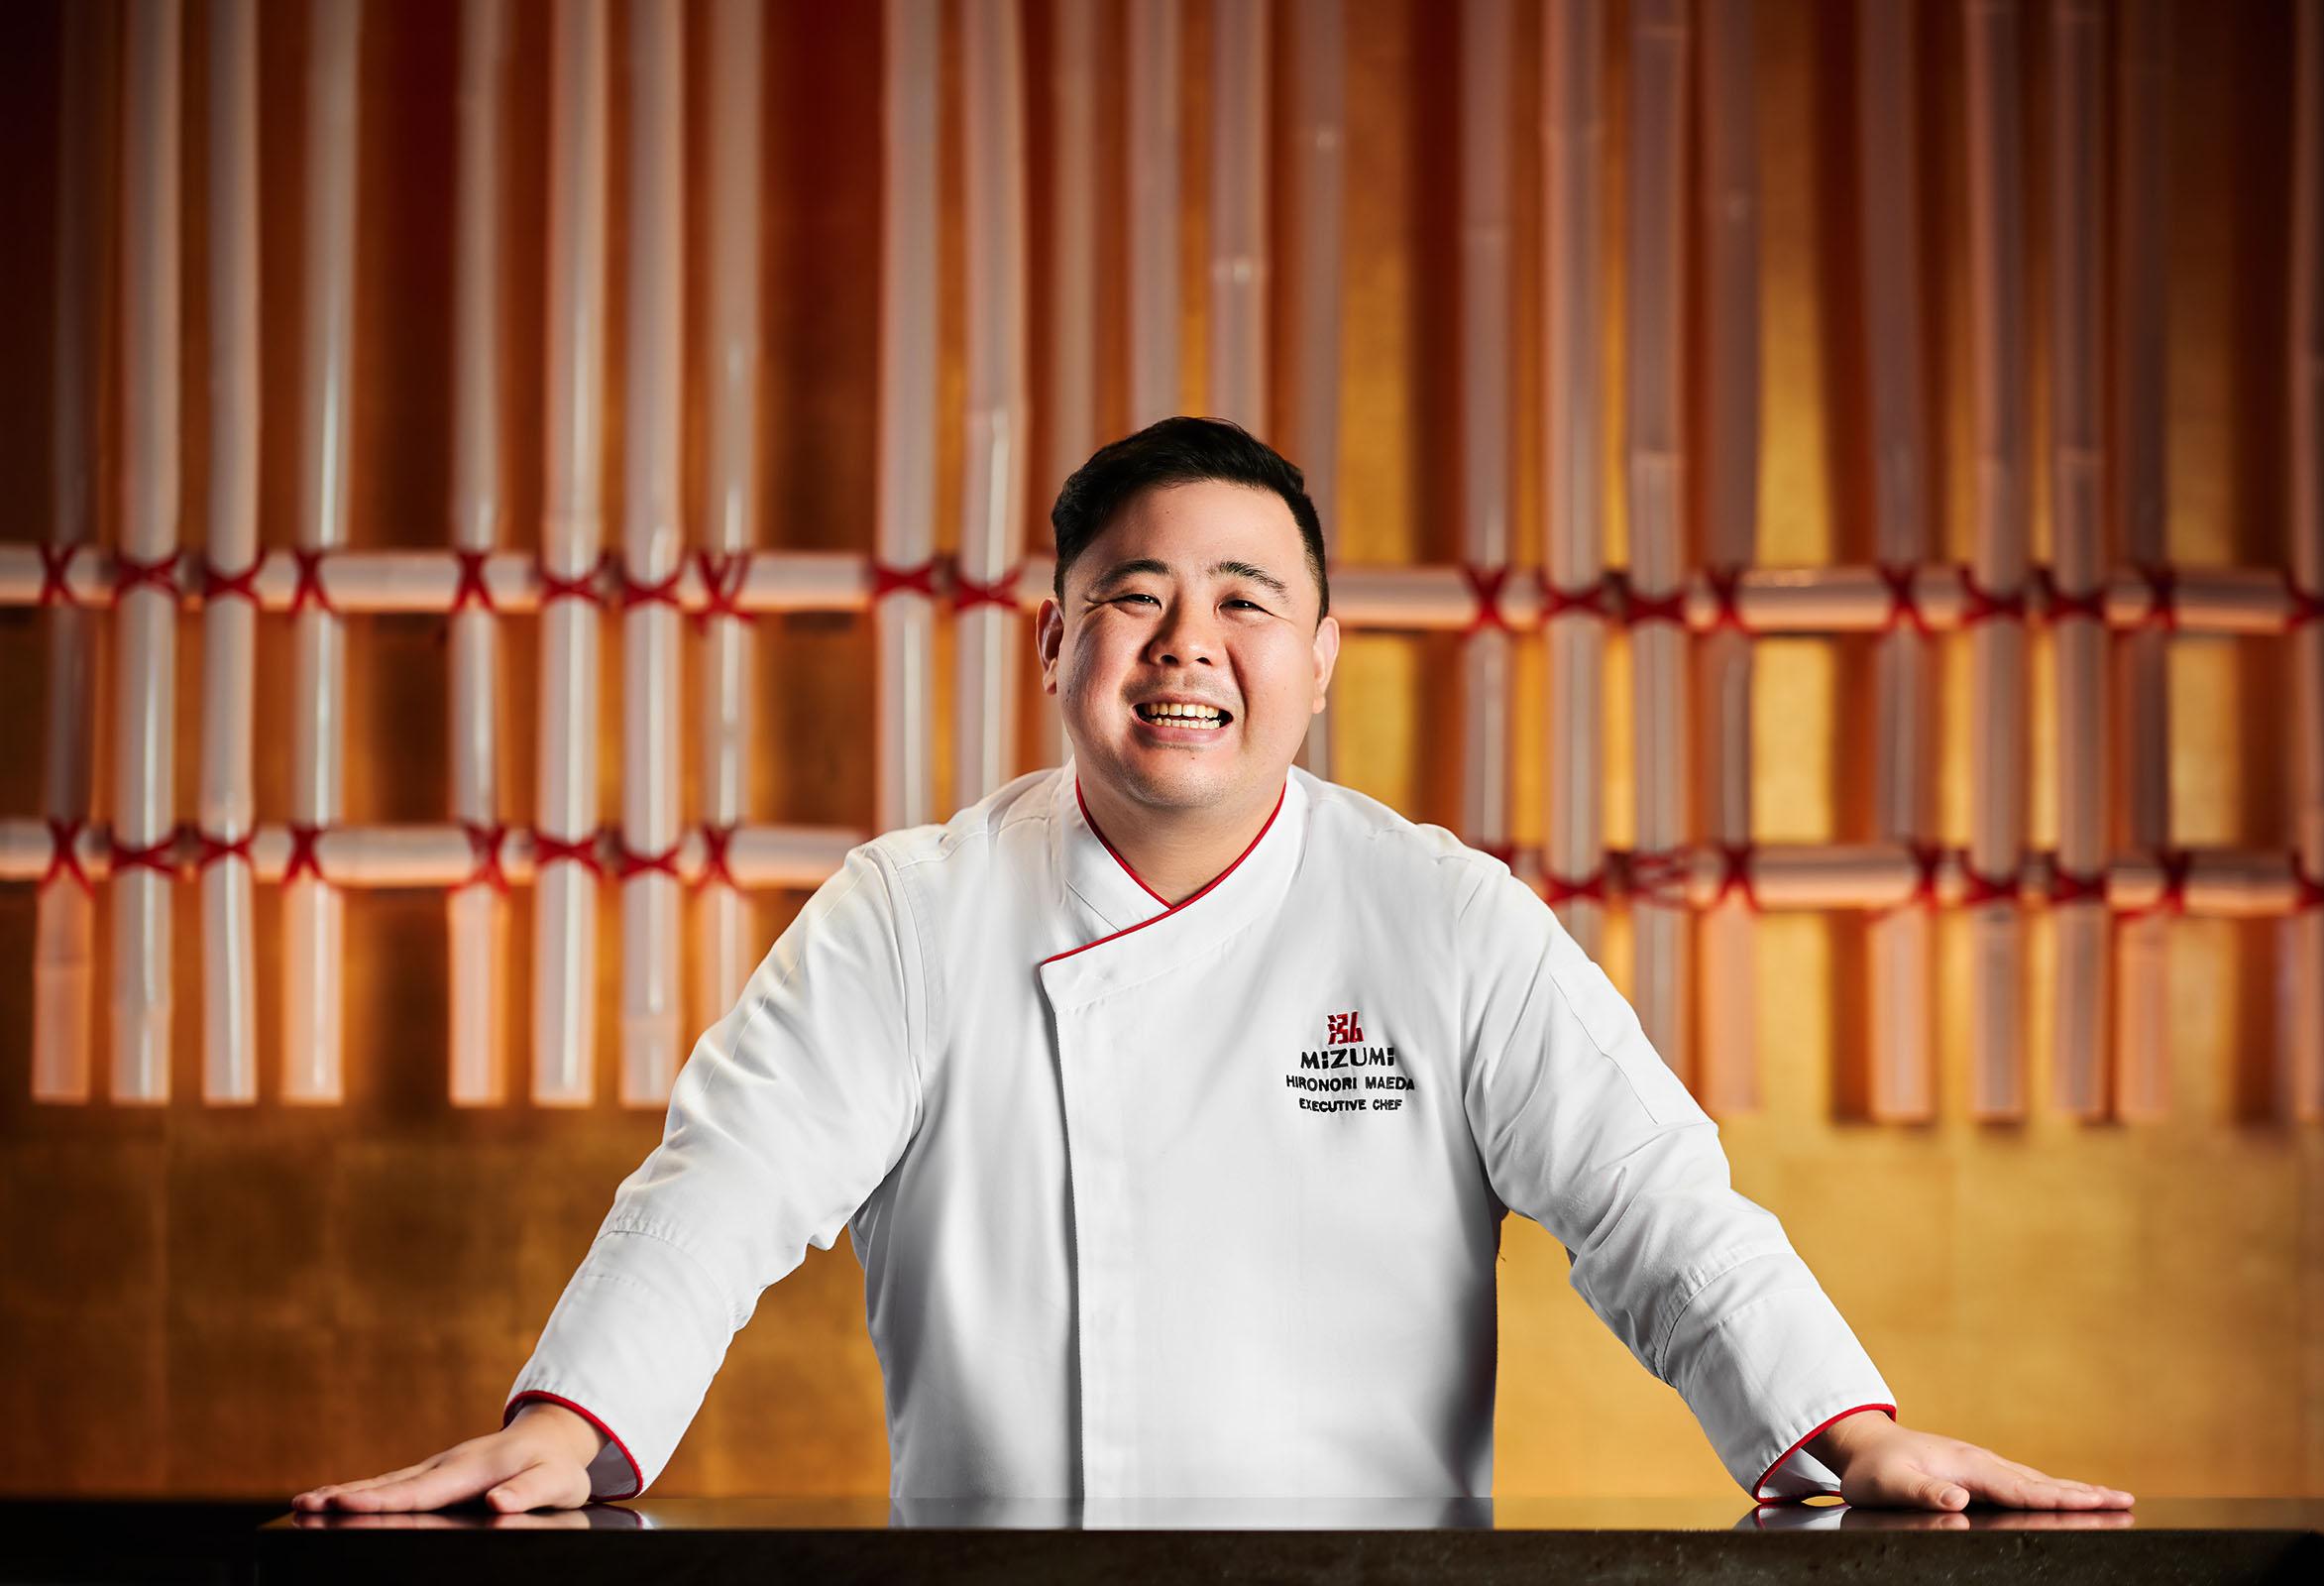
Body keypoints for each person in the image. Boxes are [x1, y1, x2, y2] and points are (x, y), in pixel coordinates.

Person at [296, 417, 2133, 1518]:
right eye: (1134, 596)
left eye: (1247, 601)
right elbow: (724, 1183)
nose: (1188, 646)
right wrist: (573, 1427)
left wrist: (1851, 1435)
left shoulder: (1446, 916)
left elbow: (1661, 1211)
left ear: (1320, 658)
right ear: (1054, 642)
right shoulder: (909, 910)